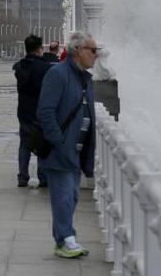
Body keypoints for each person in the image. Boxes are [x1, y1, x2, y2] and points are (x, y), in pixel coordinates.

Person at [37, 31, 98, 258]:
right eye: (92, 50)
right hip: (60, 150)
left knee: (70, 196)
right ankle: (66, 240)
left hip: (77, 151)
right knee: (64, 197)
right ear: (77, 51)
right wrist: (60, 143)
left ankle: (62, 239)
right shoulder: (58, 74)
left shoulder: (85, 78)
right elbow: (45, 111)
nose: (96, 55)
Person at [12, 35, 52, 188]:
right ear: (38, 49)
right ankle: (43, 177)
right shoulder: (44, 67)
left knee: (24, 145)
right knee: (41, 144)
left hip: (23, 111)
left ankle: (23, 176)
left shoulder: (20, 67)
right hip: (39, 112)